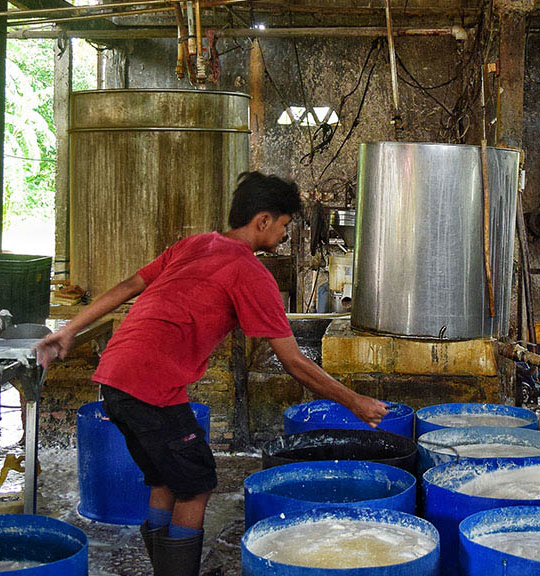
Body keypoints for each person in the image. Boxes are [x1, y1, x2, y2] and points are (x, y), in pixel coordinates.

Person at [35, 171, 388, 576]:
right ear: (263, 221)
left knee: (166, 480)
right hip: (153, 387)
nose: (285, 235)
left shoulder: (196, 243)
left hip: (115, 377)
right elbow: (294, 363)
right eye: (285, 226)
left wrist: (67, 330)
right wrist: (355, 402)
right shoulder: (252, 273)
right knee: (198, 485)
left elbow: (130, 284)